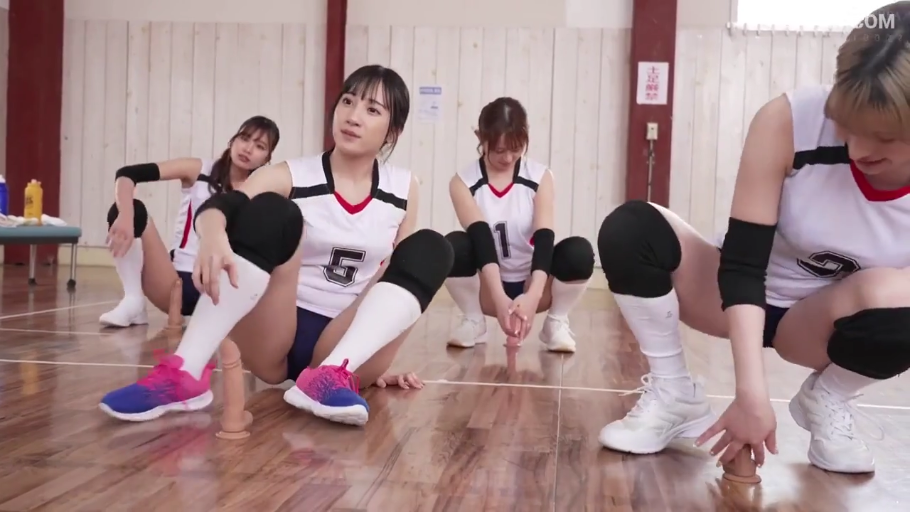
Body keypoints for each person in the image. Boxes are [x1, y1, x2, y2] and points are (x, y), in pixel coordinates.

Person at [594, 2, 910, 474]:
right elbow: (743, 266)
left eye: (883, 137)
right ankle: (674, 391)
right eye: (850, 125)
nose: (859, 149)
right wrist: (751, 396)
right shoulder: (787, 121)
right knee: (631, 228)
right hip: (732, 294)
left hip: (822, 326)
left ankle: (828, 396)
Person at [98, 64, 453, 426]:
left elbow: (396, 274)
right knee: (274, 212)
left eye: (372, 110)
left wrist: (376, 359)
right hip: (276, 332)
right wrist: (214, 234)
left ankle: (330, 377)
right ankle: (184, 375)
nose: (353, 116)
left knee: (432, 247)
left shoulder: (404, 187)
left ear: (393, 131)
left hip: (344, 342)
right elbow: (221, 207)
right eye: (348, 102)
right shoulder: (290, 173)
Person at [444, 97, 595, 351]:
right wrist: (499, 297)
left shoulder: (540, 176)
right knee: (452, 246)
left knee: (579, 252)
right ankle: (474, 320)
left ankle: (556, 322)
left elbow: (545, 236)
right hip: (488, 288)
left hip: (534, 282)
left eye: (516, 148)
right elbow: (481, 239)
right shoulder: (462, 182)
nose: (508, 158)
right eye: (499, 150)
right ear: (480, 137)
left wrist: (534, 294)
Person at [99, 116, 280, 328]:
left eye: (259, 146)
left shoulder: (263, 190)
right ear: (233, 140)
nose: (248, 149)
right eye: (244, 138)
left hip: (222, 291)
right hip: (174, 282)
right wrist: (126, 215)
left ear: (267, 158)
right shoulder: (198, 169)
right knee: (129, 209)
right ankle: (133, 300)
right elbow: (127, 174)